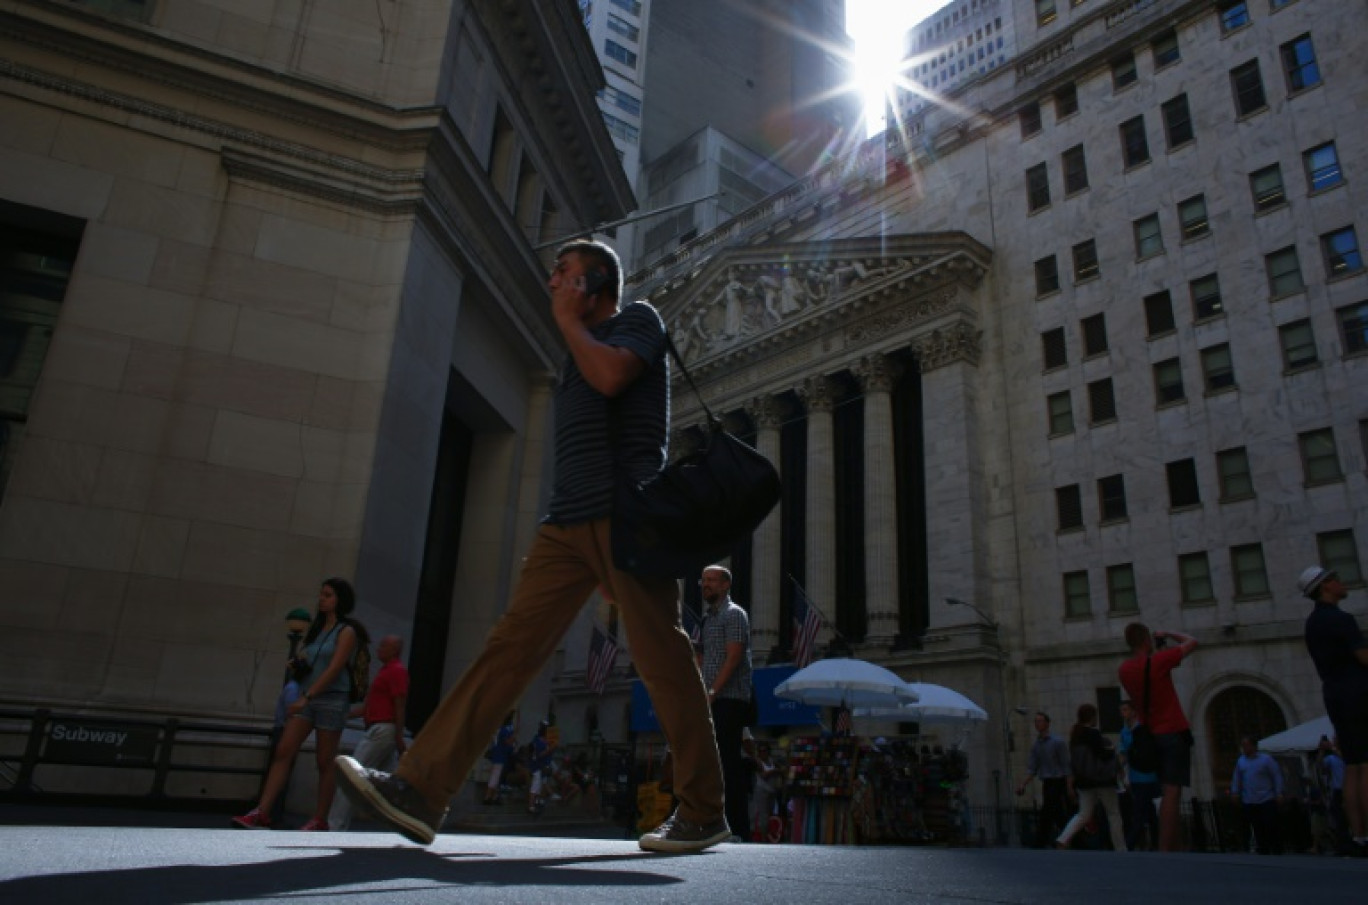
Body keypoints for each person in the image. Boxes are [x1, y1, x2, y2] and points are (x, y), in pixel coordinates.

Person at [333, 240, 728, 853]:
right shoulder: (577, 347)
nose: (552, 282)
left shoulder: (638, 321)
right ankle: (420, 790)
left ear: (596, 284)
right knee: (507, 650)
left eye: (564, 274)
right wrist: (584, 554)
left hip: (627, 519)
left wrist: (570, 323)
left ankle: (703, 811)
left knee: (665, 665)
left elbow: (614, 376)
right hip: (566, 527)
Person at [233, 577, 366, 831]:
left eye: (328, 595)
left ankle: (320, 818)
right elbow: (315, 662)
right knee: (284, 750)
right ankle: (262, 811)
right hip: (309, 696)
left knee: (324, 761)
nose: (322, 599)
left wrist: (308, 696)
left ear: (340, 599)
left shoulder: (346, 631)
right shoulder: (318, 629)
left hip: (330, 699)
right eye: (321, 594)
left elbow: (336, 668)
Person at [1299, 566, 1368, 856]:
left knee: (1353, 764)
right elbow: (1363, 657)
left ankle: (1359, 835)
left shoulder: (1312, 623)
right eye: (1336, 579)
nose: (1342, 582)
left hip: (1334, 692)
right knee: (1366, 764)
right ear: (1325, 586)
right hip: (1358, 692)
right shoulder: (1342, 620)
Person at [1118, 622, 1197, 852]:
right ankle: (1165, 848)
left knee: (1166, 790)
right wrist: (1170, 632)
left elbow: (1148, 681)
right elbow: (1192, 642)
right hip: (1172, 730)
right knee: (1173, 792)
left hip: (1151, 735)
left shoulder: (1125, 670)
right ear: (1146, 641)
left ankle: (1171, 844)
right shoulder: (1159, 662)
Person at [328, 634, 408, 831]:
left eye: (383, 646)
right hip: (382, 730)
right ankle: (401, 823)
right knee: (388, 785)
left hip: (381, 731)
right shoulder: (387, 671)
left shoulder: (396, 672)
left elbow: (400, 705)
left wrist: (399, 737)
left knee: (352, 777)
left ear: (394, 650)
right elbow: (370, 706)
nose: (378, 649)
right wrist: (345, 715)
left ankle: (334, 825)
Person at [699, 564, 754, 843]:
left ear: (725, 585)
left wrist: (712, 692)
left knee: (729, 762)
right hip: (711, 699)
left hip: (730, 698)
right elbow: (703, 659)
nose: (704, 584)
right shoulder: (707, 620)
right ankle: (714, 822)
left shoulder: (734, 615)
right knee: (714, 762)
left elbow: (734, 657)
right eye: (703, 580)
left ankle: (738, 828)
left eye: (711, 580)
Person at [1056, 703, 1126, 851]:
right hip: (1102, 780)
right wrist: (1111, 749)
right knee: (1113, 813)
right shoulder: (1093, 734)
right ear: (1093, 716)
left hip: (1084, 782)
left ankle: (1063, 838)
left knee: (1084, 813)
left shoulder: (1075, 736)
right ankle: (1120, 847)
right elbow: (1103, 754)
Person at [1015, 711, 1072, 847]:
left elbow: (1066, 766)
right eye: (1036, 721)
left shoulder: (1058, 742)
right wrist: (1023, 784)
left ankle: (1041, 842)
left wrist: (1069, 786)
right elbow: (1032, 768)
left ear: (1047, 723)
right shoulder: (1036, 746)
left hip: (1059, 781)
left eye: (1040, 721)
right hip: (1047, 782)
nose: (1037, 724)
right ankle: (1071, 838)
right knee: (1057, 813)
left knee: (1048, 811)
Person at [1229, 735, 1284, 854]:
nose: (1244, 748)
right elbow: (1236, 778)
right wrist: (1235, 792)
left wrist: (1279, 793)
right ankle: (1263, 846)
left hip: (1267, 797)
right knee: (1256, 824)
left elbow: (1276, 775)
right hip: (1250, 799)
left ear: (1254, 746)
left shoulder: (1266, 759)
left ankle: (1276, 846)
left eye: (1246, 745)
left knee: (1270, 823)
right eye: (1243, 745)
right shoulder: (1241, 761)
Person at [1118, 700, 1159, 851]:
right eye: (1122, 711)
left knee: (1139, 811)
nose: (1124, 714)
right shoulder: (1124, 731)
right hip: (1135, 776)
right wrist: (1123, 774)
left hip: (1147, 775)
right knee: (1148, 810)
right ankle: (1155, 842)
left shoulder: (1142, 729)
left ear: (1133, 711)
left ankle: (1129, 844)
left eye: (1126, 710)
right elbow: (1122, 754)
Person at [483, 711, 519, 805]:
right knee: (495, 777)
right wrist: (514, 736)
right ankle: (487, 797)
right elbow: (508, 742)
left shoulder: (504, 728)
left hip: (502, 756)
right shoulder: (503, 730)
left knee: (497, 777)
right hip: (499, 756)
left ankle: (494, 797)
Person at [527, 720, 557, 813]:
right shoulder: (538, 740)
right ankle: (531, 806)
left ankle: (537, 800)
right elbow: (539, 755)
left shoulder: (545, 740)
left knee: (541, 785)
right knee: (535, 786)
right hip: (538, 767)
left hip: (543, 766)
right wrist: (550, 749)